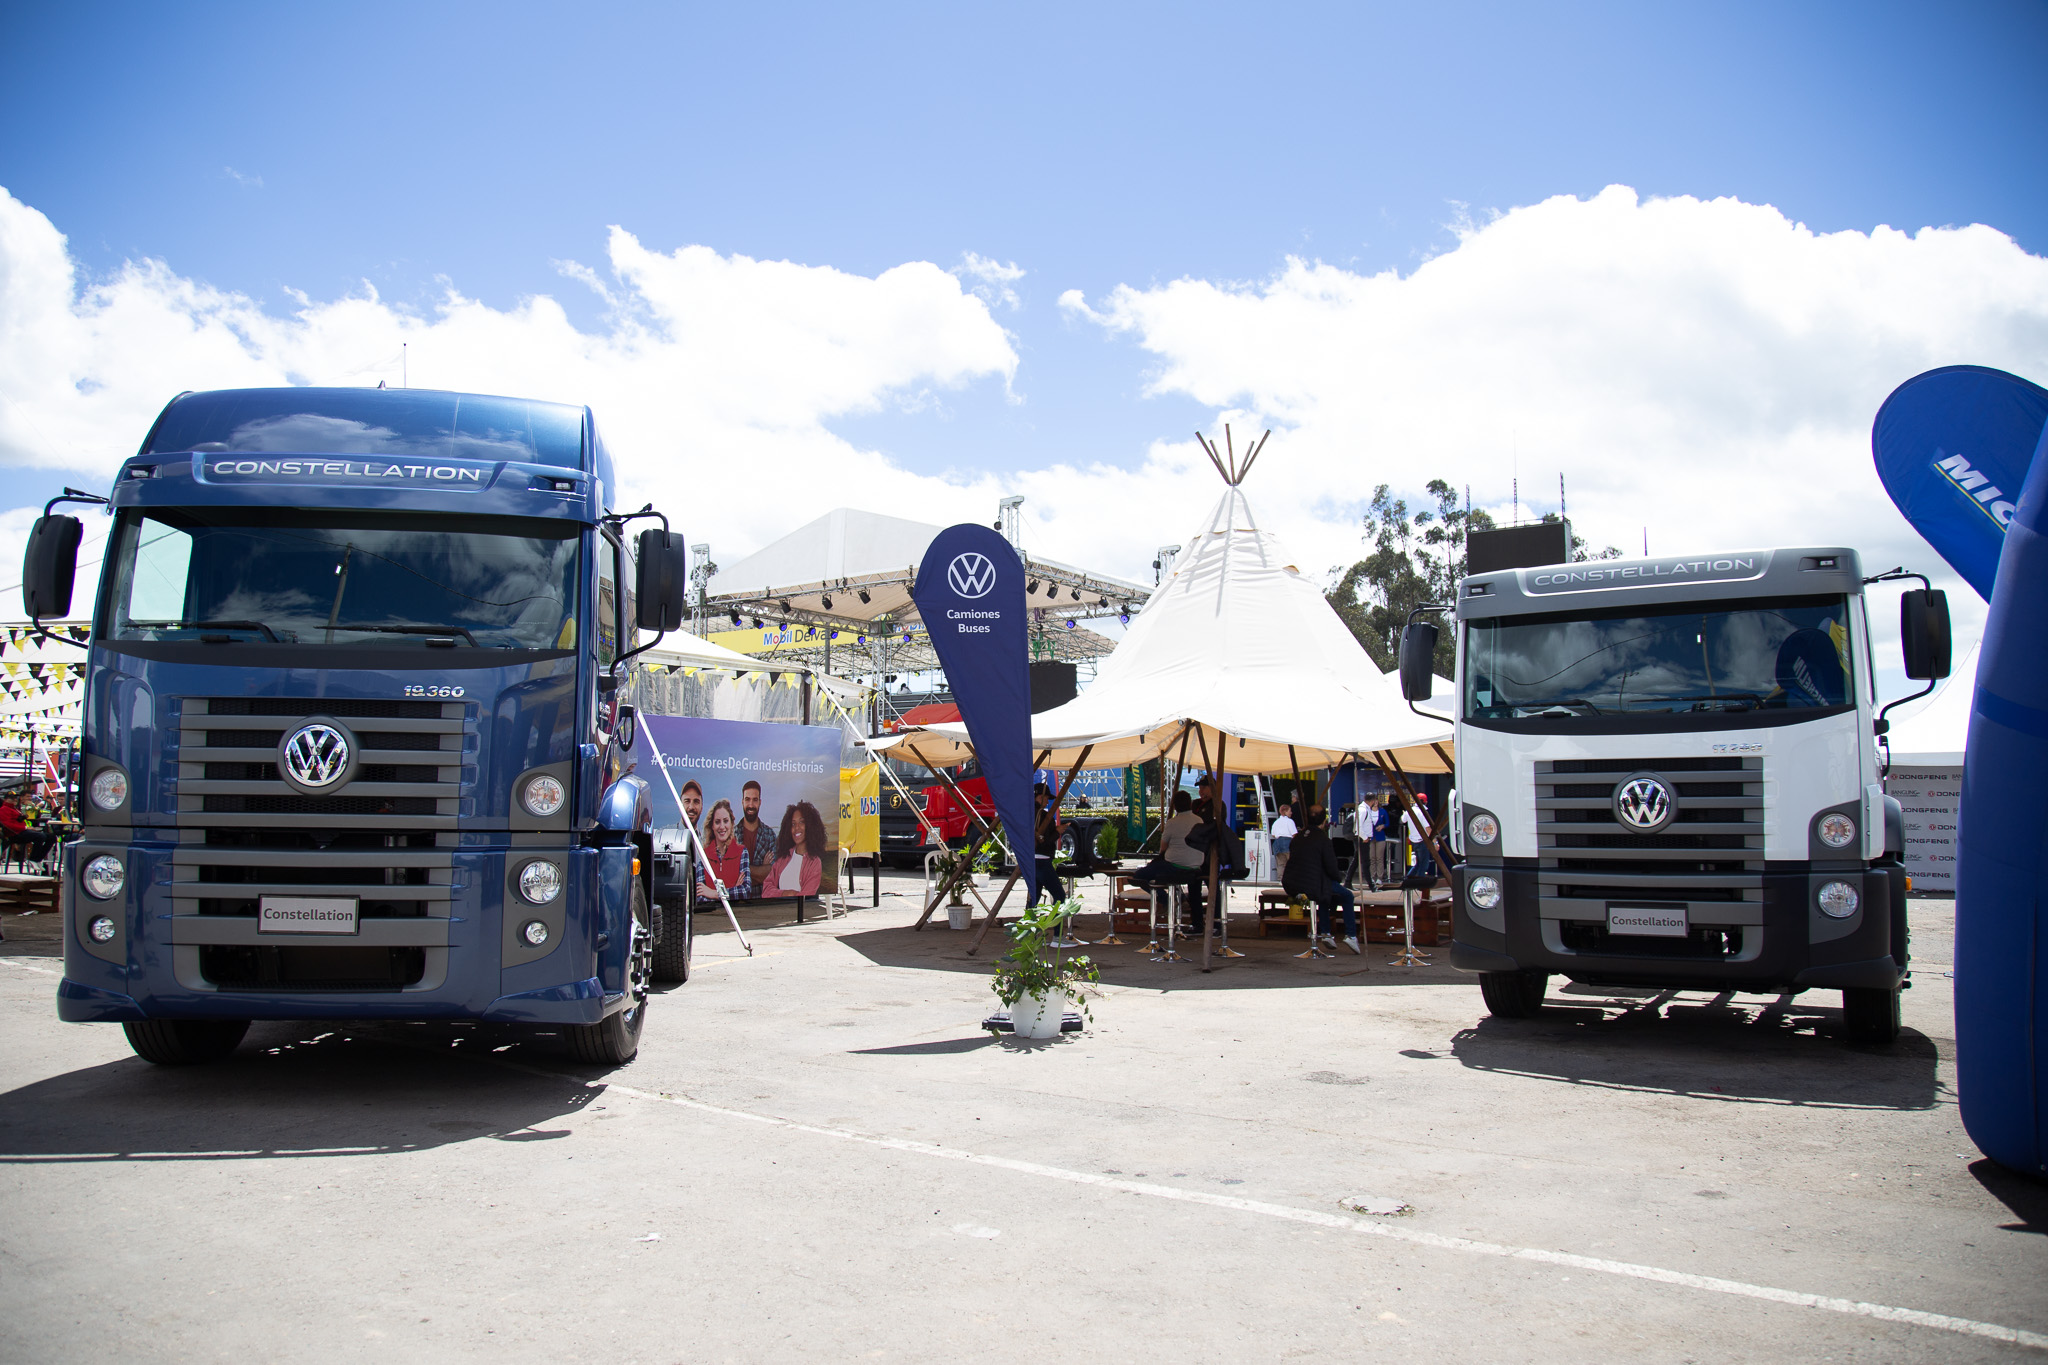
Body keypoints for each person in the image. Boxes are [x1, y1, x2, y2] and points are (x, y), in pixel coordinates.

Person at [1282, 808, 1360, 953]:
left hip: (1293, 882)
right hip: (1313, 883)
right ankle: (1350, 935)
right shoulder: (1323, 839)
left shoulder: (1298, 837)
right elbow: (1331, 866)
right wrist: (1338, 878)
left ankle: (1326, 933)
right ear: (1324, 821)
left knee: (1325, 895)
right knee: (1346, 896)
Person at [1129, 790, 1207, 927]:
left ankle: (1165, 899)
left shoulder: (1172, 823)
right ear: (1190, 804)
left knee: (1140, 875)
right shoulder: (1199, 820)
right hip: (1196, 866)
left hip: (1174, 866)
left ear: (1175, 806)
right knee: (1195, 894)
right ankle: (1197, 923)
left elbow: (1163, 849)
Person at [766, 800, 825, 898]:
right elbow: (767, 887)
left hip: (799, 910)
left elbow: (807, 894)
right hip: (777, 909)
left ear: (811, 826)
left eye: (802, 822)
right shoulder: (783, 858)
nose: (797, 827)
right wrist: (784, 893)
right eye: (793, 824)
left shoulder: (814, 863)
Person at [696, 799, 749, 900]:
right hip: (712, 915)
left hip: (737, 914)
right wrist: (733, 890)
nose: (722, 826)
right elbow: (700, 896)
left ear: (731, 823)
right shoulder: (704, 856)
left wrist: (714, 893)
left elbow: (745, 891)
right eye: (717, 822)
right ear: (712, 826)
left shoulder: (742, 852)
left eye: (725, 821)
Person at [735, 780, 778, 897]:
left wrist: (740, 867)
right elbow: (728, 874)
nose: (751, 805)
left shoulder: (769, 835)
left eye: (755, 800)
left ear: (760, 802)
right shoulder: (731, 835)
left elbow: (772, 874)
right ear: (742, 802)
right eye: (747, 799)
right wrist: (762, 869)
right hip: (736, 901)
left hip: (763, 902)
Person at [1028, 782, 1065, 908]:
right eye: (1047, 799)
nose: (1047, 802)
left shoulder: (1027, 813)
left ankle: (1028, 925)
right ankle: (1057, 927)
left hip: (1031, 860)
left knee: (1034, 897)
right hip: (1042, 860)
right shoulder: (1043, 815)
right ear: (1040, 797)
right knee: (1059, 895)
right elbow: (1045, 840)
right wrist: (1057, 832)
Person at [1405, 793, 1436, 880]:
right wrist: (1435, 843)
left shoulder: (1409, 811)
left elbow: (1402, 819)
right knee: (1423, 864)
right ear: (1425, 802)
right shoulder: (1423, 812)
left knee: (1419, 863)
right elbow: (1428, 829)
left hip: (1413, 841)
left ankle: (1408, 879)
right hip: (1422, 841)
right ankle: (1420, 883)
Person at [1270, 802, 1297, 879]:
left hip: (1277, 843)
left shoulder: (1276, 822)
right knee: (1291, 863)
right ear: (1285, 812)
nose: (1291, 813)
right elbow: (1294, 834)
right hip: (1288, 842)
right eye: (1289, 811)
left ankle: (1281, 879)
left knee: (1281, 864)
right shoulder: (1290, 821)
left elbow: (1273, 834)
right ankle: (1291, 879)